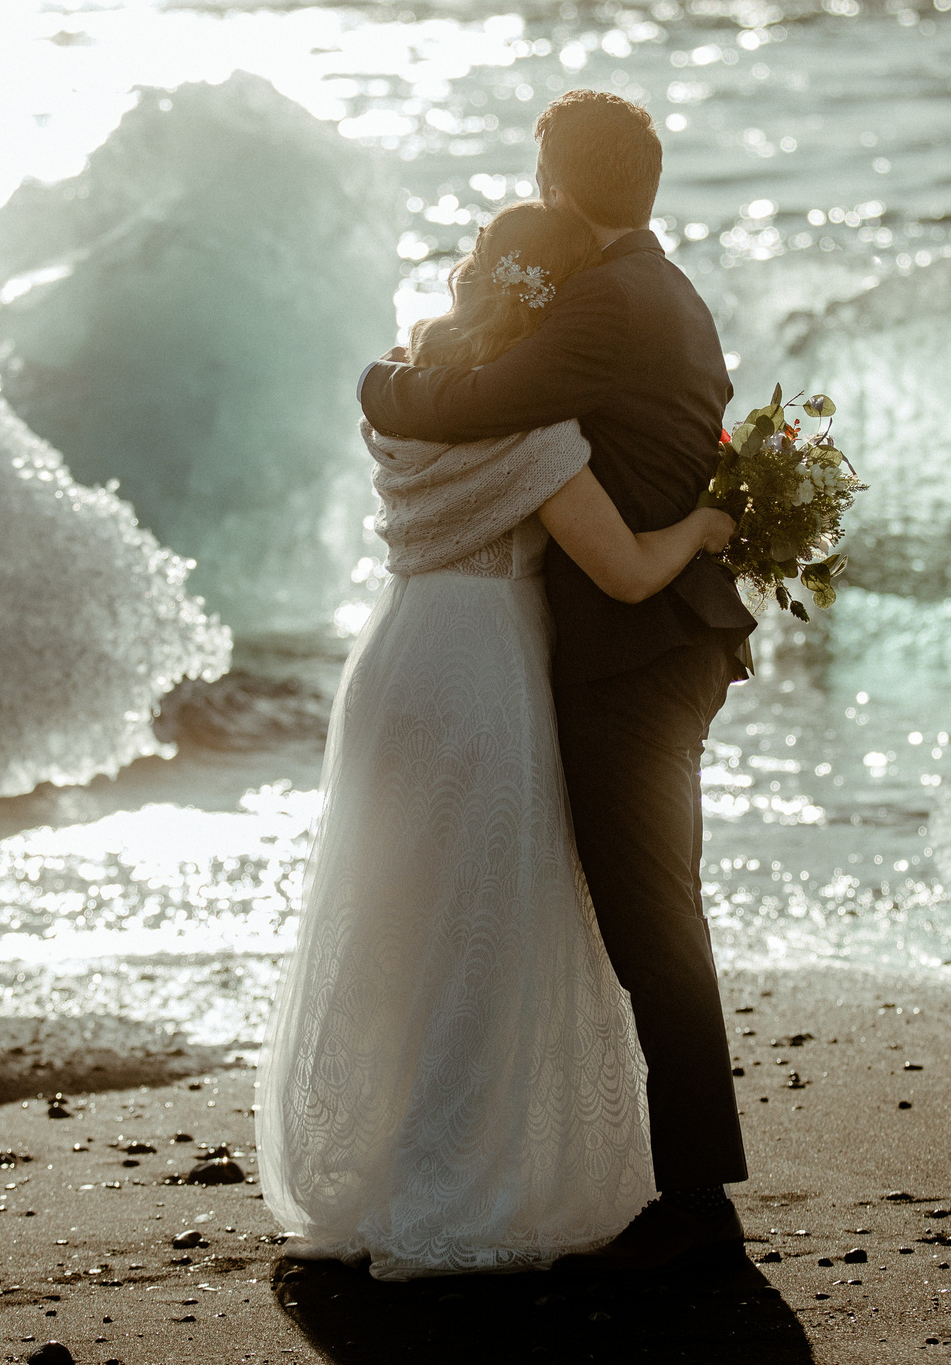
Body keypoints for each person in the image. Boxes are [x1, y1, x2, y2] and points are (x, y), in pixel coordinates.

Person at [257, 198, 737, 1280]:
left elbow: (392, 387)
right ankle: (453, 1186)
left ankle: (371, 1173)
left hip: (393, 663)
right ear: (547, 303)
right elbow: (620, 570)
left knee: (398, 918)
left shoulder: (401, 406)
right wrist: (706, 526)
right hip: (483, 676)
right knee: (482, 927)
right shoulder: (537, 440)